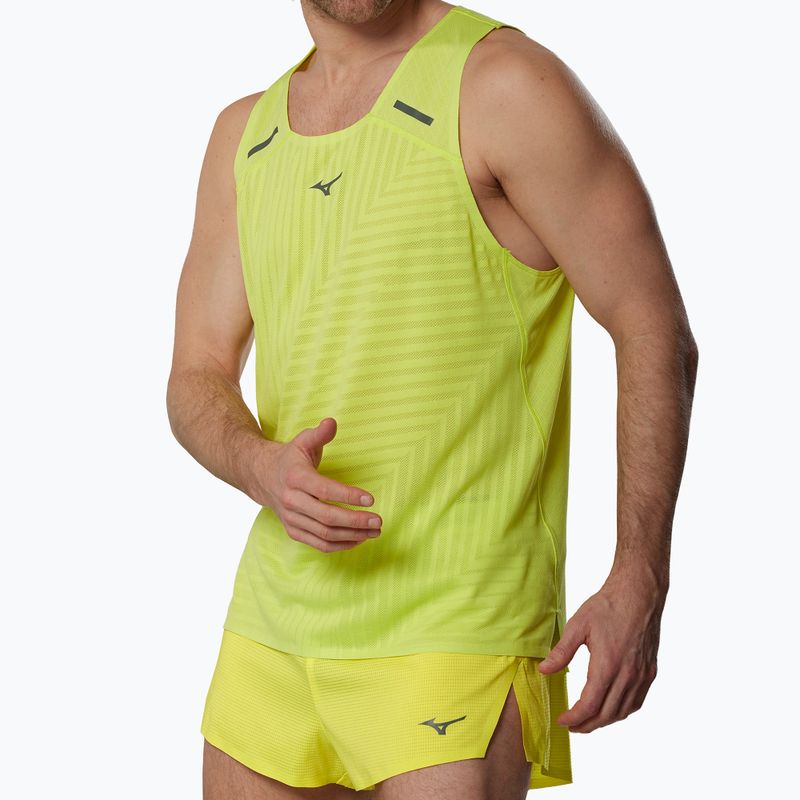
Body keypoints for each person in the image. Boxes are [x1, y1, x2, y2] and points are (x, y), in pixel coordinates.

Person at [166, 1, 698, 797]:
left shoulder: (503, 86)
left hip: (457, 628)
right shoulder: (243, 134)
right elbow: (197, 372)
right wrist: (258, 467)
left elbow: (652, 326)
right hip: (271, 630)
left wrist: (639, 576)